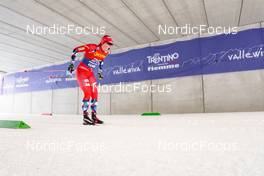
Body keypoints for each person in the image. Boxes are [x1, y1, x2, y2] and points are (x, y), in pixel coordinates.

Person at [68, 35, 113, 125]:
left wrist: (100, 71)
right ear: (103, 42)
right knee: (88, 93)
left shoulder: (106, 52)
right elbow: (75, 50)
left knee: (95, 93)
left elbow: (101, 61)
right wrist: (72, 64)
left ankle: (94, 116)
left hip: (90, 73)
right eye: (108, 43)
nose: (109, 46)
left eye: (111, 44)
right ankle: (85, 117)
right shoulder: (92, 47)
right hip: (82, 71)